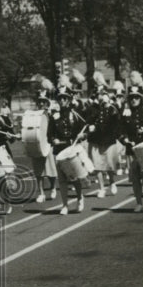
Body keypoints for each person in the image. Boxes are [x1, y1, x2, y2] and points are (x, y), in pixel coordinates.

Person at [119, 84, 143, 212]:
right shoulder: (125, 112)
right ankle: (139, 202)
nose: (134, 100)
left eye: (136, 97)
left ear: (141, 98)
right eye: (131, 97)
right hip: (132, 148)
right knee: (135, 177)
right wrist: (124, 139)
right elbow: (119, 130)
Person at [48, 86, 87, 215]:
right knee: (62, 180)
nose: (63, 101)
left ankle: (80, 197)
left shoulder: (75, 114)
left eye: (65, 98)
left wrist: (82, 135)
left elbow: (85, 127)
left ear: (69, 100)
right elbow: (49, 134)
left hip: (71, 150)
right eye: (60, 98)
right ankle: (64, 205)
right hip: (59, 151)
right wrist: (53, 140)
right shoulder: (54, 116)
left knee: (74, 177)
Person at [85, 87, 120, 198]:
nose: (102, 97)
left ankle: (112, 182)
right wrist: (90, 127)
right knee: (97, 166)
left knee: (109, 165)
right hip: (96, 140)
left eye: (104, 94)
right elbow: (88, 120)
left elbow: (115, 123)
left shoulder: (112, 109)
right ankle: (101, 188)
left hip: (108, 140)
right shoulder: (94, 109)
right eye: (100, 95)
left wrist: (110, 105)